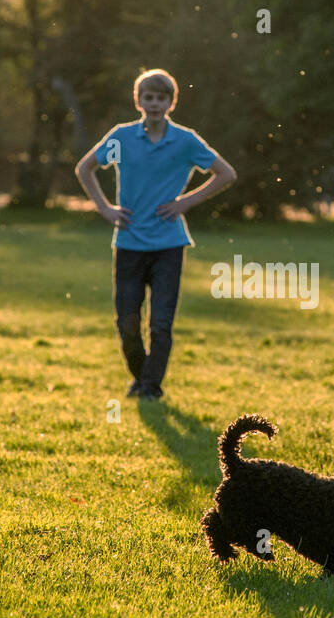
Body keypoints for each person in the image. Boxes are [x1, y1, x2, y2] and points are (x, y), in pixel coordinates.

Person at [74, 69, 236, 400]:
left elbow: (226, 174)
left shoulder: (185, 140)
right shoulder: (121, 137)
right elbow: (84, 168)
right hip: (129, 243)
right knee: (127, 325)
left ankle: (150, 387)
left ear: (171, 102)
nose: (155, 103)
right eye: (148, 97)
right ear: (138, 100)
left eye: (161, 98)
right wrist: (105, 208)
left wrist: (186, 202)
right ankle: (142, 377)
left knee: (160, 324)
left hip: (169, 245)